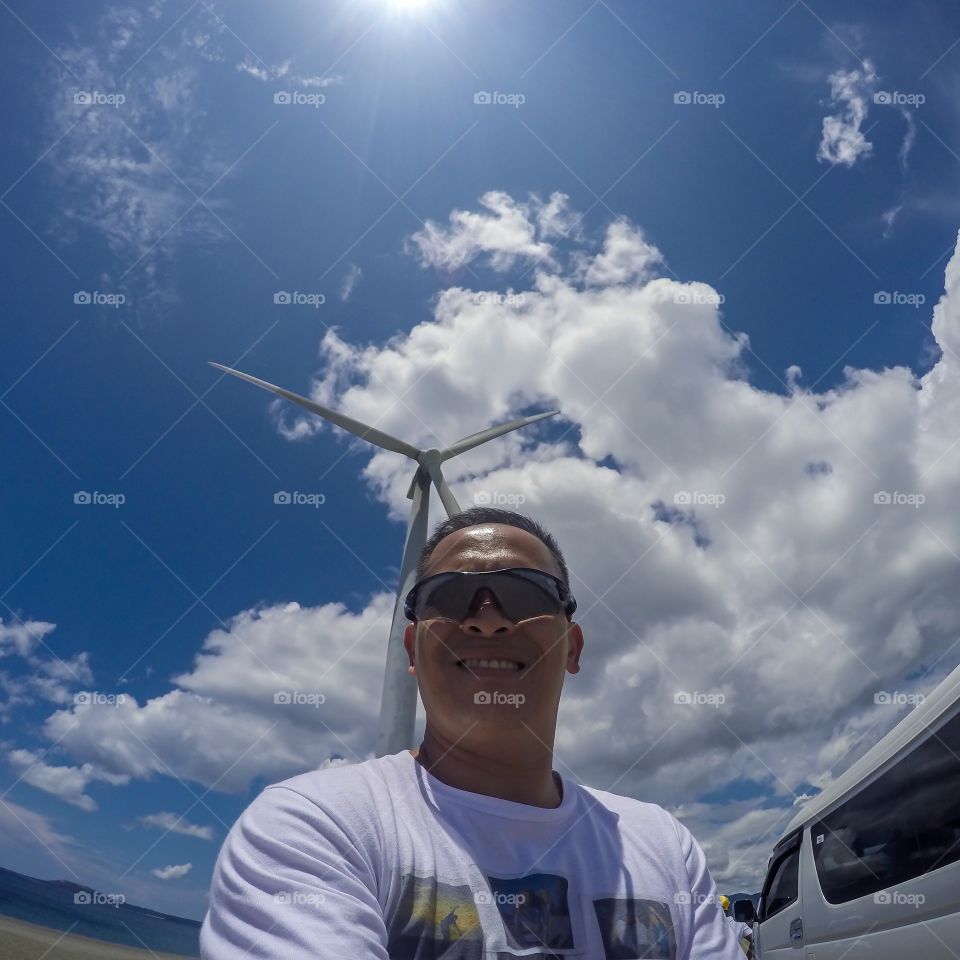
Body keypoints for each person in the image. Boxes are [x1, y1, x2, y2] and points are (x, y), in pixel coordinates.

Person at [200, 507, 746, 959]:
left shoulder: (667, 848)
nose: (488, 619)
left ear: (574, 646)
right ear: (411, 649)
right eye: (449, 596)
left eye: (528, 593)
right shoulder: (312, 827)